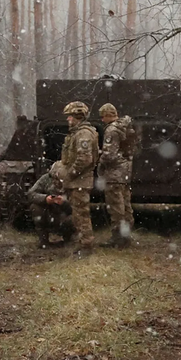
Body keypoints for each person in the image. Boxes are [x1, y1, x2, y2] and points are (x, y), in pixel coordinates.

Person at [58, 100, 98, 252]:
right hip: (76, 181)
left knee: (81, 215)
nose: (68, 119)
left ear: (77, 116)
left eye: (70, 116)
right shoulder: (78, 132)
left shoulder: (83, 134)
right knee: (77, 215)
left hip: (79, 181)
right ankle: (82, 243)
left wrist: (70, 174)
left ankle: (86, 246)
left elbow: (84, 159)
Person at [98, 103, 136, 246]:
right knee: (126, 206)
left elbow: (109, 155)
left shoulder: (112, 131)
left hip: (114, 174)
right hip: (125, 172)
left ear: (108, 115)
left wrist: (100, 161)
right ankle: (126, 235)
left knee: (116, 207)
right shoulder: (126, 127)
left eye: (103, 117)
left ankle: (117, 238)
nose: (102, 120)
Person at [27, 162, 74, 248]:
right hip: (50, 211)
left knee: (75, 216)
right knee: (35, 208)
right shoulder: (46, 179)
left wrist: (64, 202)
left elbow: (77, 204)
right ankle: (43, 240)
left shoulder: (73, 180)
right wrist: (45, 199)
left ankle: (69, 239)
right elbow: (31, 194)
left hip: (65, 213)